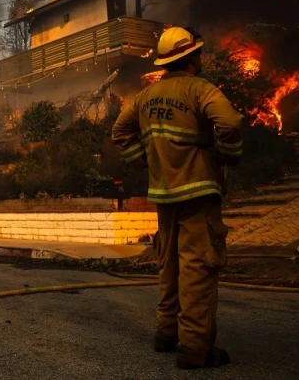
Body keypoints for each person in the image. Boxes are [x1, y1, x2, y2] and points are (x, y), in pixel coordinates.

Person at [112, 25, 243, 369]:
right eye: (197, 53)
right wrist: (226, 155)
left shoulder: (144, 97)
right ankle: (195, 350)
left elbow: (119, 132)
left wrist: (145, 160)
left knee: (168, 265)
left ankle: (166, 334)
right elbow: (229, 123)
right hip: (198, 192)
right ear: (192, 58)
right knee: (198, 267)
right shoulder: (200, 89)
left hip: (164, 194)